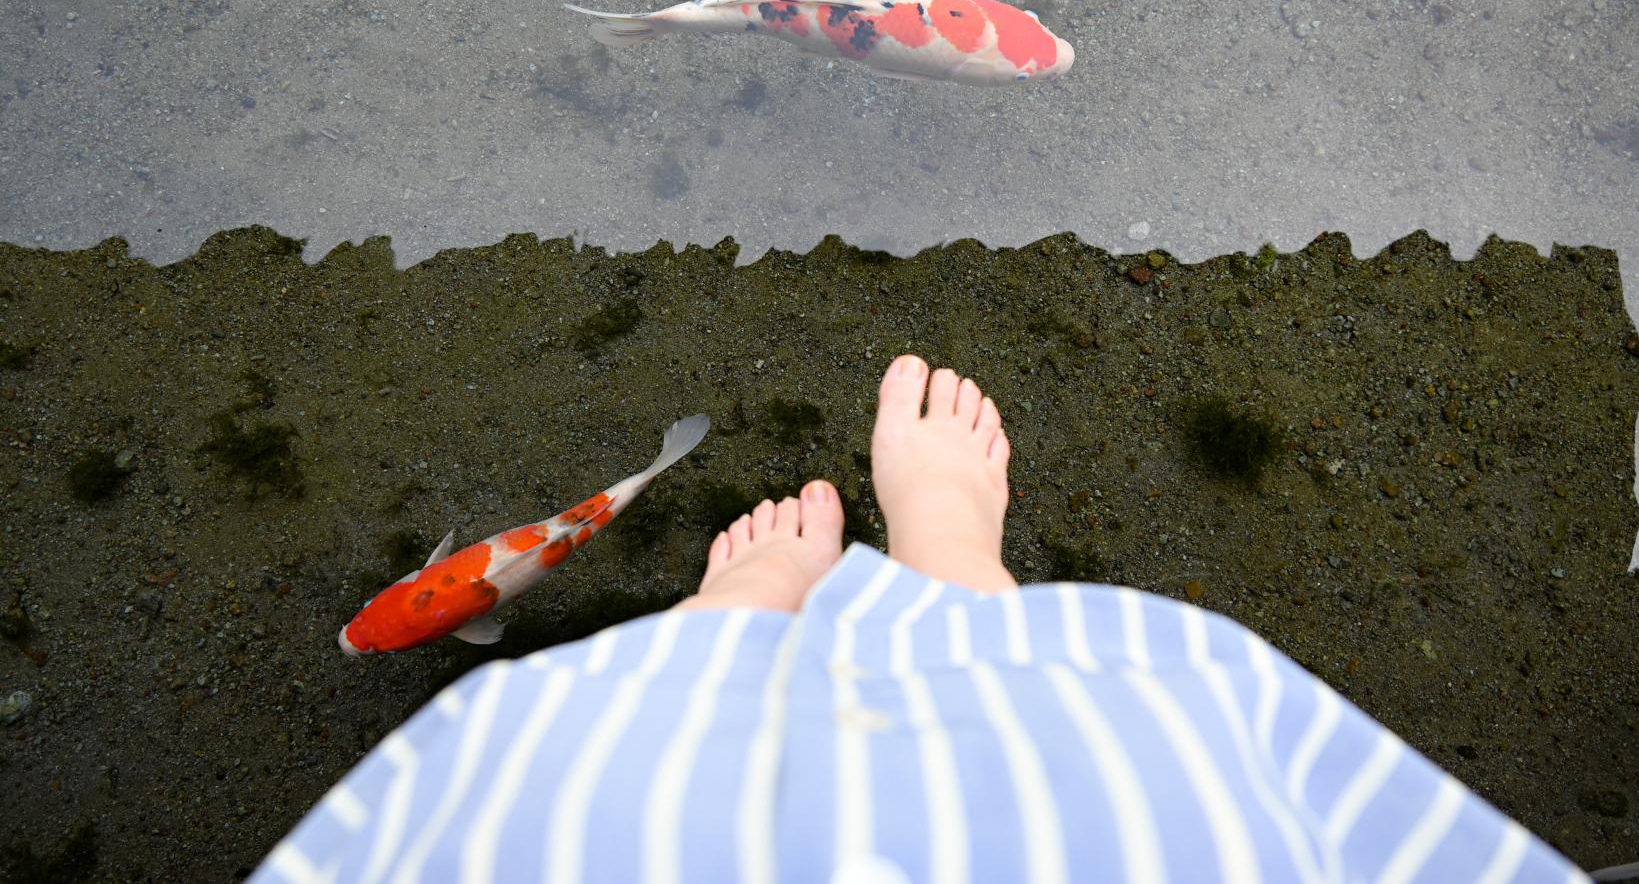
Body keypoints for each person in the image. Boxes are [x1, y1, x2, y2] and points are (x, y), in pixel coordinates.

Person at [254, 356, 1587, 883]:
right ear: (412, 606)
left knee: (613, 788)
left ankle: (737, 611)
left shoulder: (451, 621)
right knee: (1080, 759)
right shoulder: (449, 600)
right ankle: (950, 564)